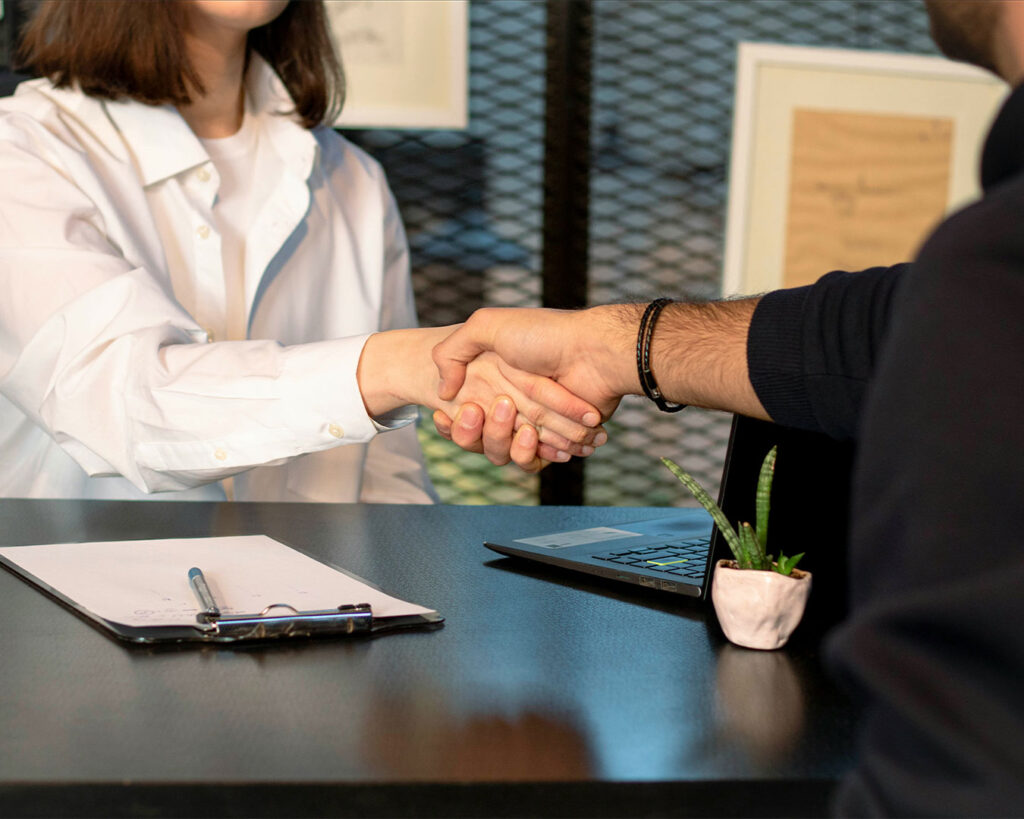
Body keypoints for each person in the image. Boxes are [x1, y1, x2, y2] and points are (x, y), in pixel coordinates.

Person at [432, 0, 1024, 813]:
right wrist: (612, 344)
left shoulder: (995, 261)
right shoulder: (986, 263)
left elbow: (959, 754)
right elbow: (883, 333)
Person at [0, 0, 603, 503]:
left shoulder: (353, 180)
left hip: (316, 623)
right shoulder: (21, 152)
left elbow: (388, 478)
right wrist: (395, 365)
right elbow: (122, 405)